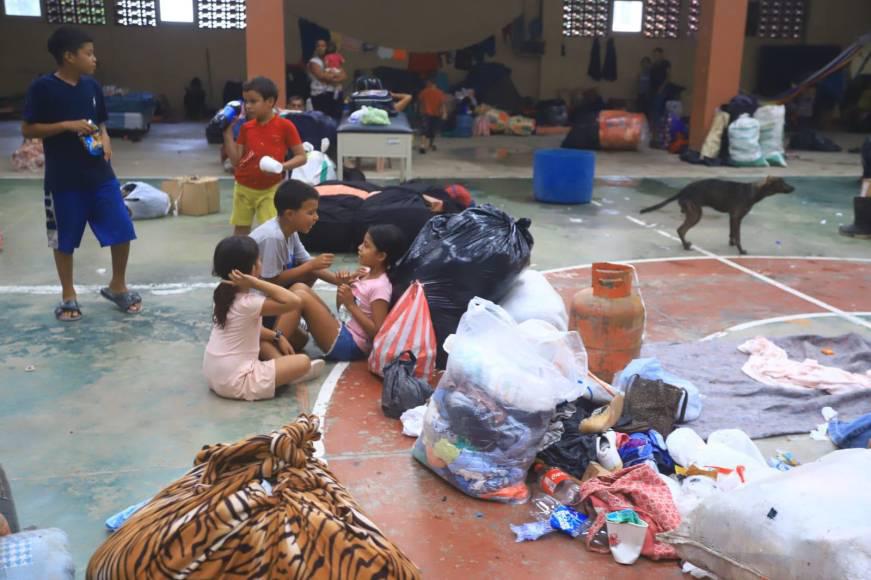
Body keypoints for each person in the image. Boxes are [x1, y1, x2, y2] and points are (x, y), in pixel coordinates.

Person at [22, 26, 140, 321]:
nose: (94, 59)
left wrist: (106, 138)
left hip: (101, 175)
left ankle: (117, 285)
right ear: (68, 56)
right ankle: (68, 295)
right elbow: (28, 128)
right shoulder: (42, 88)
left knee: (121, 228)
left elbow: (100, 122)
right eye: (88, 53)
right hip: (64, 180)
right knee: (64, 240)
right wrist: (66, 125)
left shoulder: (92, 87)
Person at [203, 236, 324, 401]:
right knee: (302, 362)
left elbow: (249, 329)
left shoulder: (221, 294)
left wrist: (277, 336)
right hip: (237, 382)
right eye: (259, 260)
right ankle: (291, 375)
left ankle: (285, 371)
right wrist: (256, 283)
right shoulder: (249, 302)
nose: (261, 263)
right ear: (252, 269)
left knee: (272, 350)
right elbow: (294, 302)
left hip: (213, 375)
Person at [276, 225, 406, 362]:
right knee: (299, 287)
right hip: (343, 328)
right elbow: (341, 310)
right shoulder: (365, 274)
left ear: (381, 256)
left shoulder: (380, 286)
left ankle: (273, 347)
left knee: (301, 296)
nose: (360, 247)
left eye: (366, 246)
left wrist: (352, 305)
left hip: (352, 344)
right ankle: (277, 339)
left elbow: (378, 333)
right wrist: (342, 286)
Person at [223, 76, 307, 236]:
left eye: (253, 101)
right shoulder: (246, 128)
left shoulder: (285, 126)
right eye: (246, 101)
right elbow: (236, 161)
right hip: (242, 187)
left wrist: (282, 166)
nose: (248, 106)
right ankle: (240, 260)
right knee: (240, 231)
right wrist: (227, 134)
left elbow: (301, 157)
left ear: (270, 101)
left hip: (270, 189)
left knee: (271, 232)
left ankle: (271, 261)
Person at [308, 39, 346, 121]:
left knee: (337, 119)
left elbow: (344, 76)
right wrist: (336, 78)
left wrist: (332, 77)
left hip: (336, 93)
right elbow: (322, 76)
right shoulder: (314, 61)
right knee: (323, 120)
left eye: (323, 46)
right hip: (321, 95)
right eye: (318, 46)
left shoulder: (335, 59)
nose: (321, 48)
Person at [417, 77, 447, 154]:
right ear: (435, 85)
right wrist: (444, 113)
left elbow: (420, 102)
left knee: (424, 130)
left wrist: (419, 111)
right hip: (436, 114)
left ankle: (422, 145)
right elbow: (443, 104)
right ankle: (430, 145)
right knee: (433, 130)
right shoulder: (440, 93)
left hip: (425, 114)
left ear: (429, 84)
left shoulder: (424, 92)